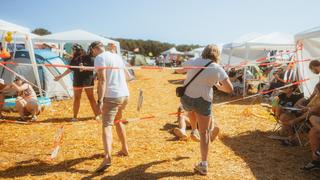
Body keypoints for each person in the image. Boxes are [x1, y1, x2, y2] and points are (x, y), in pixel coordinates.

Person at [177, 44, 233, 175]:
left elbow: (180, 70)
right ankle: (203, 164)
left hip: (187, 98)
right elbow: (230, 89)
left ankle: (194, 129)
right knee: (205, 133)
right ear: (217, 55)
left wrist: (184, 71)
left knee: (189, 109)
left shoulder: (194, 61)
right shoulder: (217, 68)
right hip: (204, 100)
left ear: (204, 52)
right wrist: (219, 87)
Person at [90, 41, 130, 173]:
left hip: (112, 95)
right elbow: (126, 76)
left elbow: (102, 80)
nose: (92, 53)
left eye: (92, 51)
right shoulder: (116, 56)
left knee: (107, 125)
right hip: (124, 94)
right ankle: (124, 149)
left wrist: (100, 100)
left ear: (95, 49)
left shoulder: (100, 58)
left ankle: (107, 158)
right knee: (118, 121)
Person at [54, 44, 100, 121]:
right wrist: (60, 76)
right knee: (77, 98)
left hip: (87, 80)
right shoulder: (75, 58)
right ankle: (75, 117)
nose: (73, 51)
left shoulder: (89, 57)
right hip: (77, 80)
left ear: (79, 50)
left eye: (74, 50)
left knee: (91, 98)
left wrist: (85, 68)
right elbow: (70, 69)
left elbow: (94, 68)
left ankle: (97, 115)